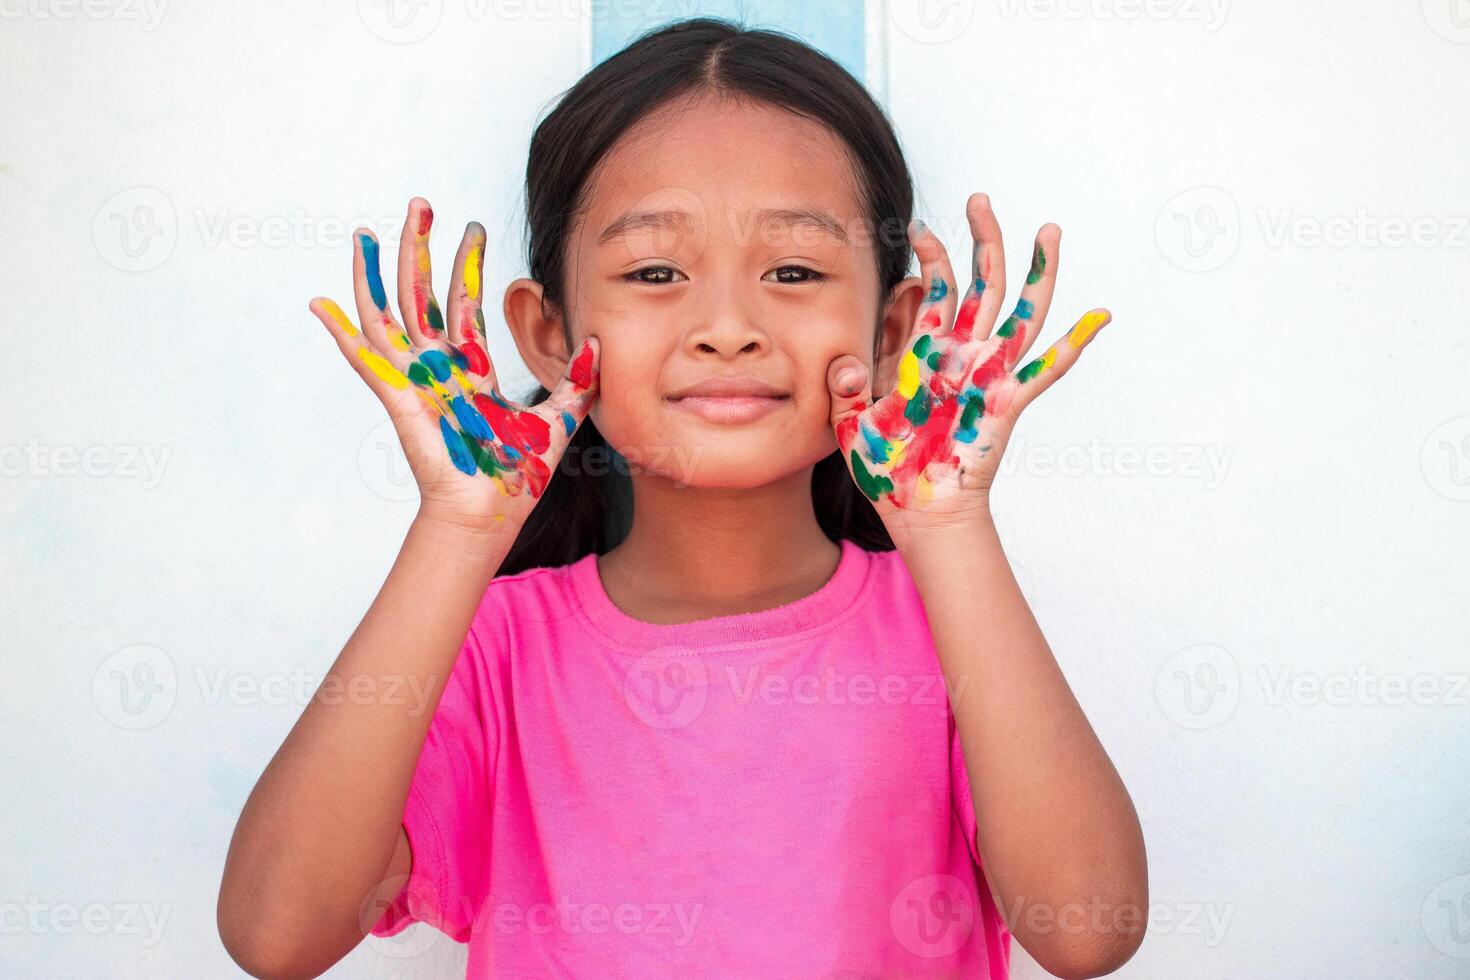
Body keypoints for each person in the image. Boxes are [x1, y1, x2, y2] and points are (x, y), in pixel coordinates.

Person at [218, 16, 1147, 978]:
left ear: (893, 329)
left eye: (793, 271)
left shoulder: (950, 629)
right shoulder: (491, 649)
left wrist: (949, 525)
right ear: (546, 333)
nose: (727, 327)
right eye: (655, 272)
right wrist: (458, 527)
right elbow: (278, 934)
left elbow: (1088, 929)